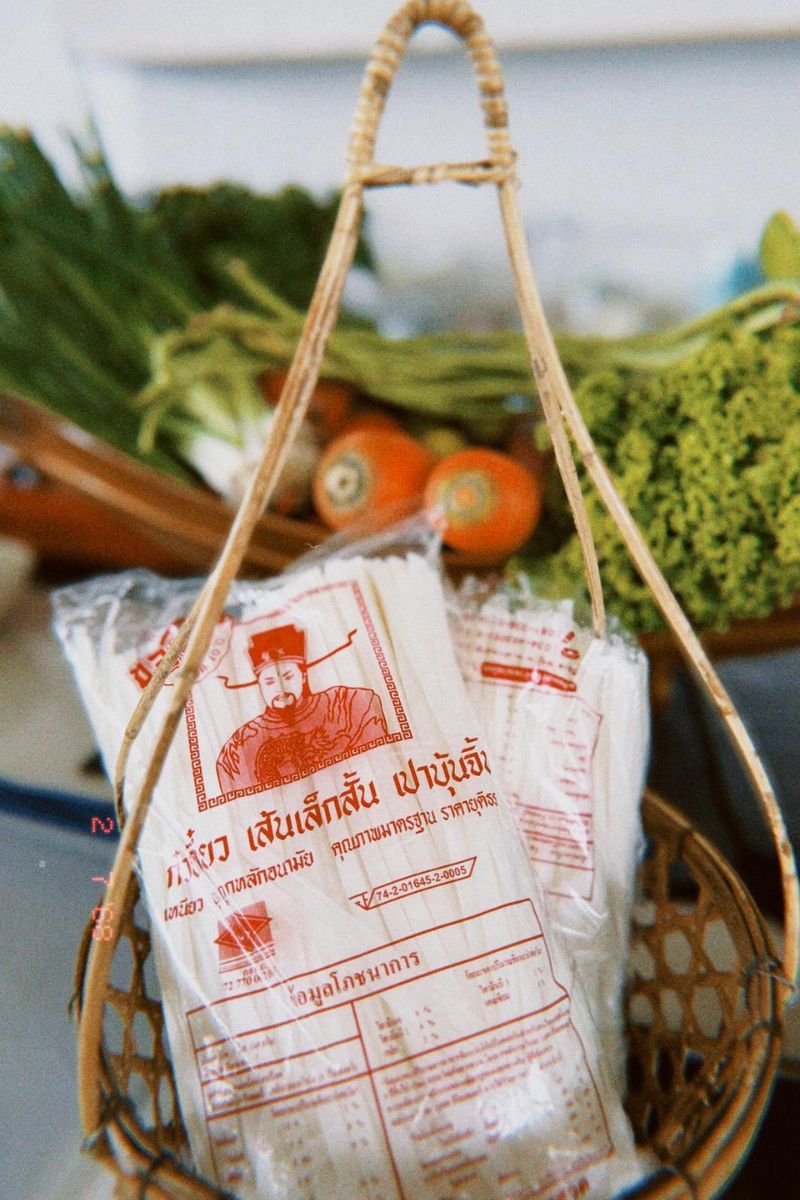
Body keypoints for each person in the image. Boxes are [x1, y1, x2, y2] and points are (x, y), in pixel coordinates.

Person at [216, 623, 388, 792]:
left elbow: (380, 764)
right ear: (260, 686)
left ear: (303, 676)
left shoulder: (346, 705)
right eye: (269, 682)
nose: (280, 687)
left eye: (288, 676)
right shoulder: (239, 747)